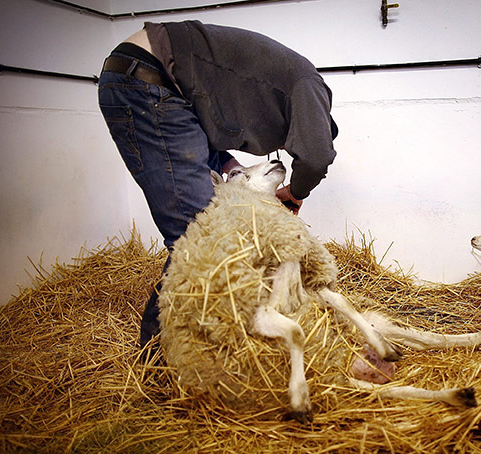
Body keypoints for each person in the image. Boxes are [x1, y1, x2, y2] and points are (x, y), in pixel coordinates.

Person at [98, 21, 338, 350]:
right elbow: (316, 157)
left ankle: (194, 346)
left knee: (205, 230)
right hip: (146, 80)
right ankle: (161, 357)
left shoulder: (276, 89)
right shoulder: (308, 88)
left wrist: (228, 164)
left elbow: (199, 116)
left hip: (153, 80)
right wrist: (295, 194)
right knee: (199, 234)